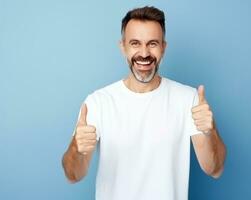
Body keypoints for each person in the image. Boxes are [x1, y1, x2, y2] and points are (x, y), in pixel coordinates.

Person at [62, 6, 226, 200]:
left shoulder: (188, 99)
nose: (144, 53)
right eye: (135, 43)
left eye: (153, 44)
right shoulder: (98, 102)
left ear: (163, 47)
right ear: (123, 46)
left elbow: (214, 170)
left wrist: (210, 131)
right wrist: (76, 148)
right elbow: (73, 175)